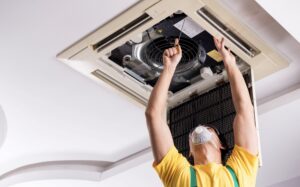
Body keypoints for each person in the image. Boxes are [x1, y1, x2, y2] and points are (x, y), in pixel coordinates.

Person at [145, 37, 259, 187]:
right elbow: (245, 111)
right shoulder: (241, 174)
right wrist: (230, 63)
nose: (200, 129)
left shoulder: (178, 177)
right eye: (210, 129)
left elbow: (153, 115)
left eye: (191, 134)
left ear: (189, 152)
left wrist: (169, 68)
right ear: (221, 144)